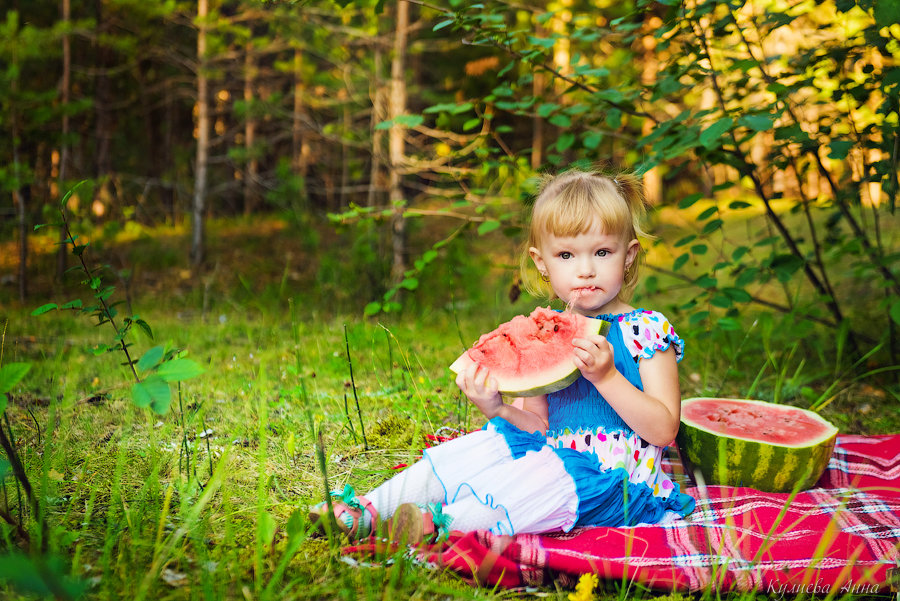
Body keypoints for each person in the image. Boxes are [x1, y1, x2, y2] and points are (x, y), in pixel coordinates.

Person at [310, 168, 695, 542]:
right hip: (549, 460)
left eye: (602, 252)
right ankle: (371, 509)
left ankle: (441, 526)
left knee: (548, 478)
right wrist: (497, 408)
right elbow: (538, 428)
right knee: (491, 441)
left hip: (619, 487)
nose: (585, 269)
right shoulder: (548, 331)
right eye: (566, 255)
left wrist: (607, 377)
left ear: (628, 256)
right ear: (541, 262)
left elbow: (664, 430)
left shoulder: (647, 330)